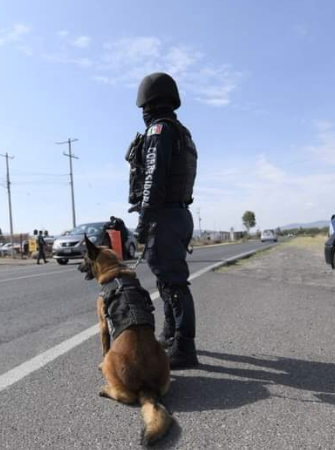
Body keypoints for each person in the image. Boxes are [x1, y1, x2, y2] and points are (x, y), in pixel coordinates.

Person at [126, 72, 198, 369]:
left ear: (149, 103)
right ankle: (170, 334)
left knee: (174, 284)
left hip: (164, 215)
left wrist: (144, 219)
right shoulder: (181, 131)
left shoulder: (158, 131)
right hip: (179, 214)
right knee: (167, 281)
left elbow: (154, 177)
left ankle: (184, 348)